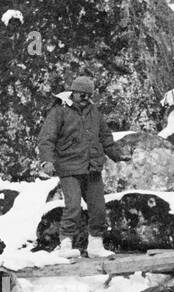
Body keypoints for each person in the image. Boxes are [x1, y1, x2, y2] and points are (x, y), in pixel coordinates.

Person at [36, 74, 125, 259]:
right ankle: (65, 244)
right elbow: (46, 138)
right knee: (73, 206)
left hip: (92, 168)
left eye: (87, 95)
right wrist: (47, 161)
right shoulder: (59, 111)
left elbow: (106, 137)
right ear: (72, 92)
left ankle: (96, 245)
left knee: (98, 208)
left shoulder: (95, 112)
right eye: (80, 94)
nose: (84, 98)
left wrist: (118, 155)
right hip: (68, 167)